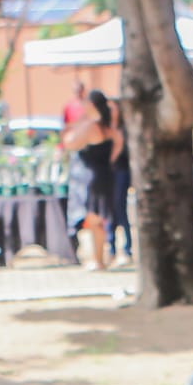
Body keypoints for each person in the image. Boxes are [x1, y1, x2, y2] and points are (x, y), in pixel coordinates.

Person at [63, 89, 119, 271]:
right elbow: (116, 150)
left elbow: (70, 142)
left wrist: (79, 123)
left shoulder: (90, 126)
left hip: (90, 178)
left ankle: (97, 259)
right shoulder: (111, 129)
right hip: (105, 175)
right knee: (99, 220)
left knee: (93, 220)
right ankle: (99, 258)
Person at [108, 98, 133, 267]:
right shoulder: (106, 129)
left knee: (120, 207)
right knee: (109, 210)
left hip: (121, 172)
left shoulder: (125, 130)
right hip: (108, 174)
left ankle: (127, 246)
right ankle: (111, 246)